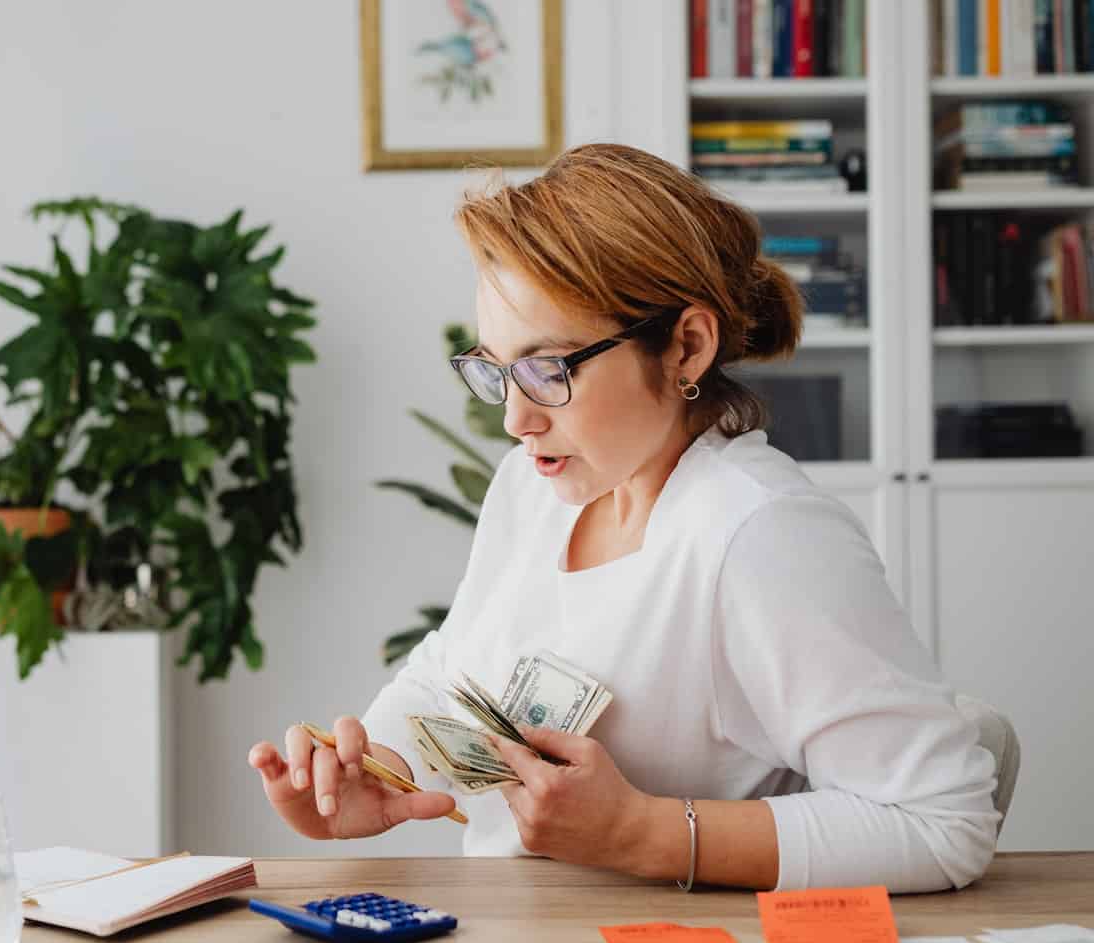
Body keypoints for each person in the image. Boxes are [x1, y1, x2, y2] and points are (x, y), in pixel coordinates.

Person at [246, 143, 1000, 893]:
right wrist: (380, 765)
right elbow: (452, 667)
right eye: (496, 371)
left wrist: (640, 832)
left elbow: (941, 822)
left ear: (688, 346)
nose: (514, 417)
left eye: (549, 370)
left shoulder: (761, 535)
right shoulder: (532, 488)